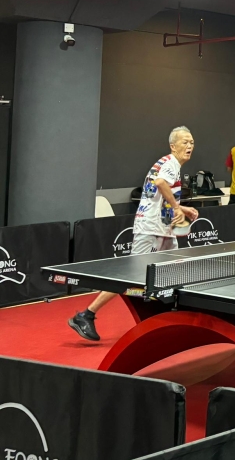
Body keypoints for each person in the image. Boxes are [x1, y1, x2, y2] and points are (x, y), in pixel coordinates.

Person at [68, 126, 200, 341]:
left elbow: (156, 194)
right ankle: (86, 315)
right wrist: (177, 207)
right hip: (150, 228)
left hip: (163, 229)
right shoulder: (171, 163)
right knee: (131, 276)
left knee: (176, 270)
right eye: (185, 142)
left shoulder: (170, 165)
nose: (189, 146)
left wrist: (181, 208)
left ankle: (171, 319)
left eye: (192, 142)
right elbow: (159, 183)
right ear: (173, 145)